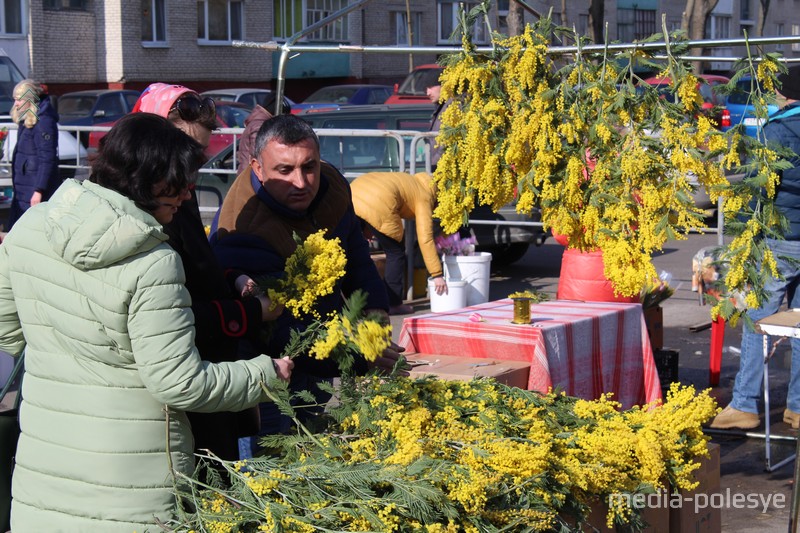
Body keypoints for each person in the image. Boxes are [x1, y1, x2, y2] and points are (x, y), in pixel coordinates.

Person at [0, 113, 293, 531]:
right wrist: (264, 375)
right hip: (135, 487)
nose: (188, 194)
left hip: (45, 471)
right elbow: (178, 382)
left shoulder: (28, 227)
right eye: (179, 184)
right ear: (147, 181)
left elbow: (7, 332)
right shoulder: (152, 263)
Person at [211, 114, 406, 457]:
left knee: (312, 447)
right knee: (271, 456)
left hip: (322, 351)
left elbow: (356, 255)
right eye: (284, 170)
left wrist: (374, 311)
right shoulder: (244, 227)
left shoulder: (331, 185)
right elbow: (278, 328)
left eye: (309, 166)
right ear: (257, 168)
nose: (301, 182)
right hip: (267, 371)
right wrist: (358, 354)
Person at [132, 82, 283, 461]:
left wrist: (231, 277)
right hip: (181, 390)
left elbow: (198, 262)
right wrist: (251, 313)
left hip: (210, 369)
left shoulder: (174, 194)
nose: (193, 170)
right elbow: (176, 309)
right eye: (185, 153)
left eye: (199, 155)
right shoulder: (142, 216)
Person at [710, 65, 800, 431]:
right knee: (798, 325)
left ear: (787, 94)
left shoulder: (777, 129)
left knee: (754, 321)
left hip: (780, 238)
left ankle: (744, 404)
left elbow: (763, 187)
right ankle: (796, 407)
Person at [351, 171, 447, 315]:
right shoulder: (425, 197)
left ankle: (351, 302)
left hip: (354, 191)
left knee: (353, 250)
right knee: (395, 253)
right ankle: (393, 303)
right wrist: (437, 274)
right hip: (379, 201)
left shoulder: (410, 180)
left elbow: (368, 201)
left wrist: (366, 228)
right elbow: (425, 238)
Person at [6, 80, 59, 230]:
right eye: (15, 99)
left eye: (19, 99)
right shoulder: (27, 119)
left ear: (30, 100)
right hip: (24, 186)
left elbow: (47, 158)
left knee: (30, 230)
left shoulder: (44, 121)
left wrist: (38, 190)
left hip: (34, 189)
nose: (16, 104)